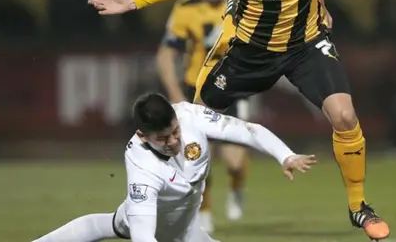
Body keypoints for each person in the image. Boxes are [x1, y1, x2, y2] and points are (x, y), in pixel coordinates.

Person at [87, 0, 390, 240]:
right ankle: (177, 207)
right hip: (247, 54)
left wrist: (320, 2)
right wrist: (134, 1)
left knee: (344, 115)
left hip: (304, 45)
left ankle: (358, 207)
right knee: (195, 126)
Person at [31, 93, 315, 242]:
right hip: (156, 228)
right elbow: (144, 235)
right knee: (114, 224)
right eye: (163, 138)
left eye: (175, 131)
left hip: (187, 229)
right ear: (143, 136)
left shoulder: (190, 115)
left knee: (104, 224)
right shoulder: (140, 162)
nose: (174, 141)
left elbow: (247, 130)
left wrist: (285, 155)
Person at [156, 0, 250, 232]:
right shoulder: (185, 7)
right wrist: (175, 97)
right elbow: (165, 56)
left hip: (233, 88)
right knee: (196, 155)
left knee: (234, 162)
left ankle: (236, 187)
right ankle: (204, 212)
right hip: (195, 90)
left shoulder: (245, 0)